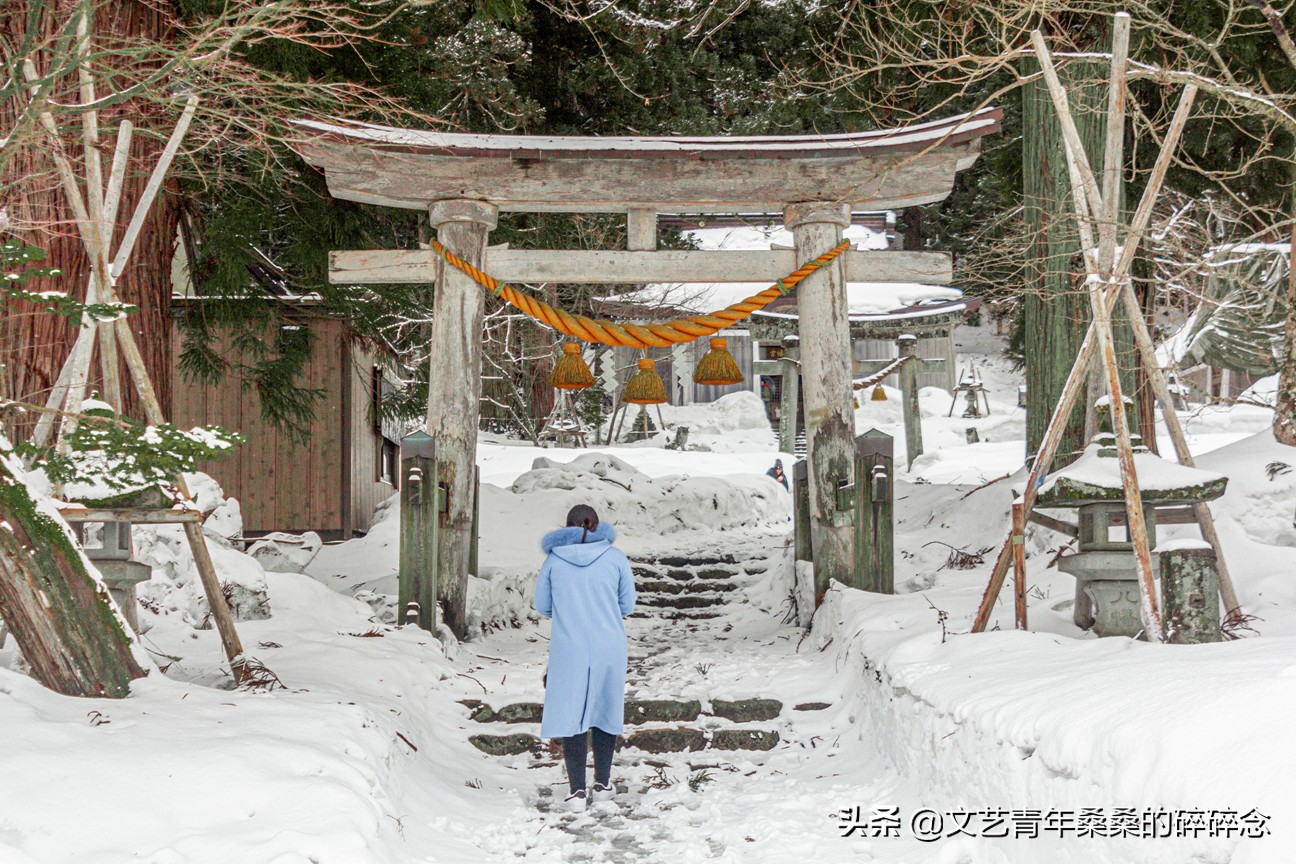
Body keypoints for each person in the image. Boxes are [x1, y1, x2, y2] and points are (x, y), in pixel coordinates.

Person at [533, 504, 636, 813]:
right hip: (609, 645)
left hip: (570, 647)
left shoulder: (553, 562)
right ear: (598, 526)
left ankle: (577, 791)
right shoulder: (615, 558)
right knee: (605, 709)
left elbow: (543, 605)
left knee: (571, 711)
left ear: (567, 526)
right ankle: (603, 785)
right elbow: (627, 604)